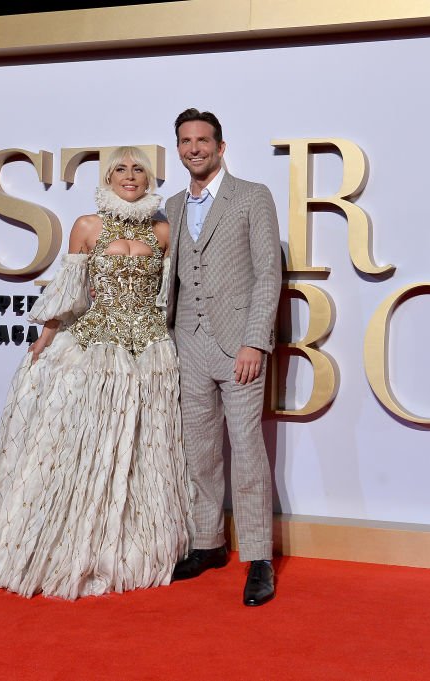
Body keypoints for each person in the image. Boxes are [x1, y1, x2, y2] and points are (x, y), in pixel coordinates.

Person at [0, 147, 192, 600]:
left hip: (149, 355)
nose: (129, 176)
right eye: (120, 169)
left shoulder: (163, 231)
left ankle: (132, 546)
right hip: (95, 350)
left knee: (143, 450)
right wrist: (45, 338)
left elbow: (169, 298)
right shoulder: (87, 226)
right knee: (86, 443)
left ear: (148, 179)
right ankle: (68, 543)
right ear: (107, 178)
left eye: (138, 170)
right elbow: (69, 293)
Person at [164, 109, 282, 606]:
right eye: (186, 141)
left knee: (248, 451)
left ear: (221, 146)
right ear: (178, 148)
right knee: (199, 451)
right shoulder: (169, 206)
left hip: (239, 347)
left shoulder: (252, 196)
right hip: (186, 343)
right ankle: (208, 543)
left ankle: (259, 557)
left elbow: (268, 275)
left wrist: (255, 341)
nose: (195, 148)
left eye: (203, 140)